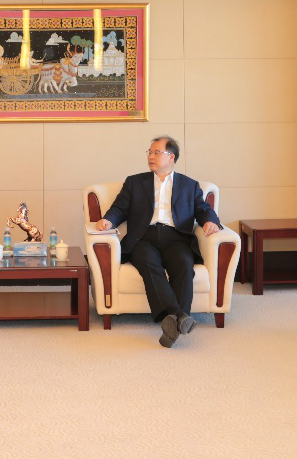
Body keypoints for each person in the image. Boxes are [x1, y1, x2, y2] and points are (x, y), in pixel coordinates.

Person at [95, 136, 222, 348]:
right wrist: (108, 220)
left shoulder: (190, 185)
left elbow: (203, 209)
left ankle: (172, 323)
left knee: (184, 265)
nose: (151, 156)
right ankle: (180, 316)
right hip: (143, 238)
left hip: (176, 238)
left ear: (171, 157)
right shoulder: (135, 182)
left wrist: (211, 221)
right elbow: (120, 207)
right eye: (149, 152)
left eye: (156, 152)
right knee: (148, 263)